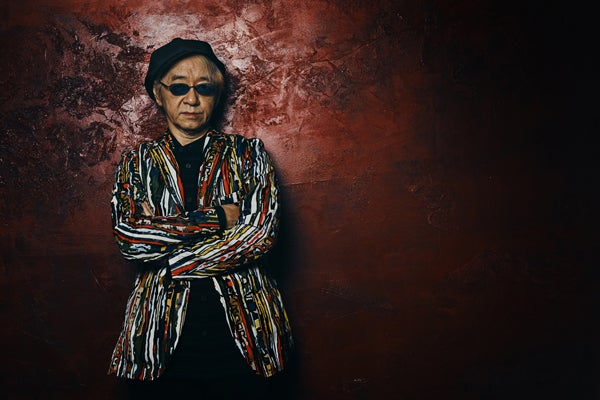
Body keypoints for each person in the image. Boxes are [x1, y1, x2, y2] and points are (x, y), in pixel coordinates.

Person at [107, 38, 293, 398]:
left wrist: (172, 257)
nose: (191, 100)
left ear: (216, 95)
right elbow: (131, 239)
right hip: (157, 346)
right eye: (179, 87)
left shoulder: (249, 155)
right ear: (158, 94)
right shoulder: (136, 163)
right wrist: (218, 219)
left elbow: (259, 235)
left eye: (203, 88)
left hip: (247, 343)